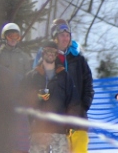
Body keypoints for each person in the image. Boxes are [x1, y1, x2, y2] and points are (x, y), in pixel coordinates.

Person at [50, 20, 92, 153]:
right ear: (55, 38)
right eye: (62, 35)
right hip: (58, 117)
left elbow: (88, 85)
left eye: (67, 35)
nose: (65, 38)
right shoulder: (49, 59)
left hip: (78, 116)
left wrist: (84, 105)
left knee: (80, 148)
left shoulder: (78, 59)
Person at [23, 41, 70, 153]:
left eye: (53, 51)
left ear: (56, 54)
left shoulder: (64, 76)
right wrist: (38, 97)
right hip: (39, 127)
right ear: (43, 53)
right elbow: (24, 99)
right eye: (48, 51)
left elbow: (72, 99)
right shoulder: (32, 76)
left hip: (58, 127)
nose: (50, 54)